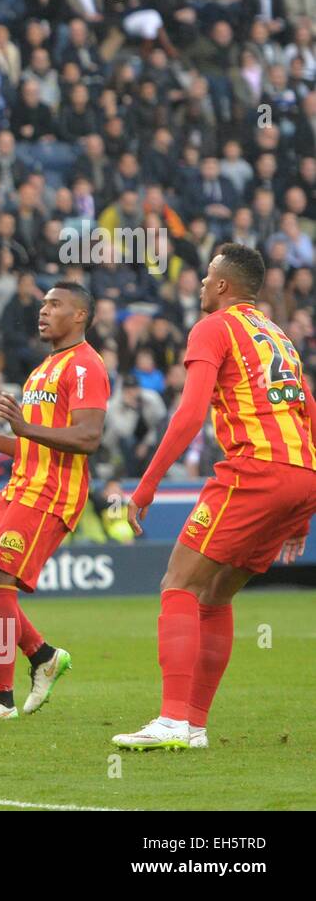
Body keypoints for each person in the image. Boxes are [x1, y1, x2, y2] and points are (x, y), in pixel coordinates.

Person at [117, 244, 316, 750]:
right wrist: (302, 515)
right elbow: (308, 412)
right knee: (216, 595)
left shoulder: (214, 327)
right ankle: (195, 725)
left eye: (207, 276)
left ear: (223, 286)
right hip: (301, 473)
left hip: (255, 469)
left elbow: (188, 415)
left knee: (178, 583)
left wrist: (145, 488)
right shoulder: (279, 337)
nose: (202, 283)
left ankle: (170, 720)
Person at [0, 282, 109, 719]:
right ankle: (42, 655)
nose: (43, 311)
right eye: (42, 304)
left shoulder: (86, 367)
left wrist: (22, 429)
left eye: (54, 304)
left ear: (79, 315)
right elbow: (35, 442)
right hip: (21, 484)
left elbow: (88, 437)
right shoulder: (44, 368)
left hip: (52, 491)